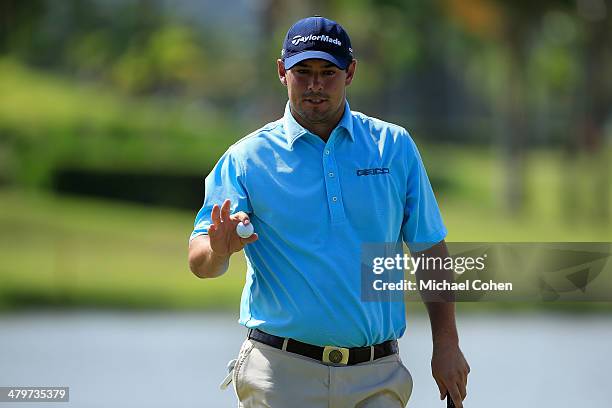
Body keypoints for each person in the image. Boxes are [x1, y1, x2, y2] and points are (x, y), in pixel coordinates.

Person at [188, 16, 470, 408]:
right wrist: (219, 249)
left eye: (328, 72)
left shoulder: (394, 146)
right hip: (280, 373)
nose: (315, 85)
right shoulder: (246, 158)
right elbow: (201, 261)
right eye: (303, 72)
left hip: (378, 374)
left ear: (350, 72)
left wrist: (448, 345)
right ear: (282, 71)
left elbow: (429, 251)